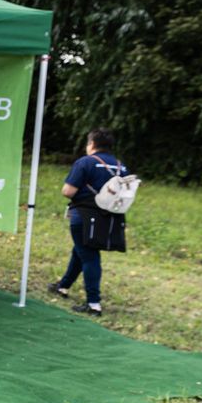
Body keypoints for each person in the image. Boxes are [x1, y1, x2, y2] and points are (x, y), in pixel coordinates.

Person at [50, 127, 129, 315]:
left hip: (85, 216)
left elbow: (68, 191)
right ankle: (63, 286)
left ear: (92, 144)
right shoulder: (121, 167)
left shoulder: (85, 162)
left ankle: (94, 304)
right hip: (111, 218)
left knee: (89, 255)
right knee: (82, 250)